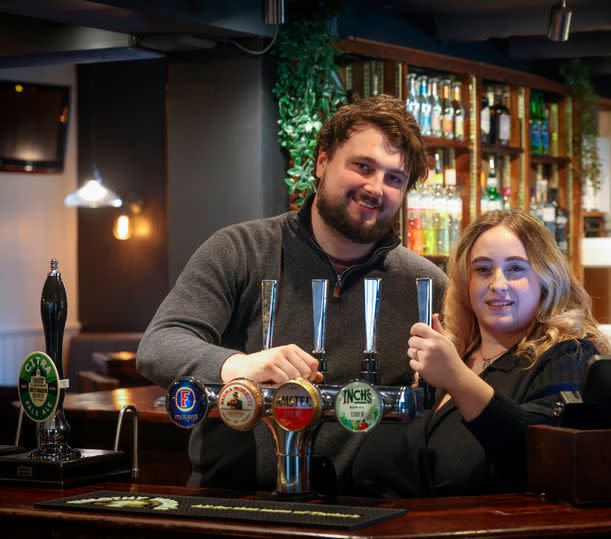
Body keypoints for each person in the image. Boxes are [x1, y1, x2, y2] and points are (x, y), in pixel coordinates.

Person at [137, 94, 447, 492]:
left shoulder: (425, 285)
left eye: (394, 179)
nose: (376, 188)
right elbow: (159, 346)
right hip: (234, 504)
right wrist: (240, 367)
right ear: (322, 162)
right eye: (363, 166)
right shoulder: (241, 249)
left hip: (368, 514)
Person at [352, 209, 611, 497]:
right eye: (483, 269)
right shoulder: (455, 354)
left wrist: (458, 379)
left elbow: (540, 452)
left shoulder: (569, 355)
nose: (498, 285)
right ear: (466, 284)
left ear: (545, 278)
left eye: (516, 269)